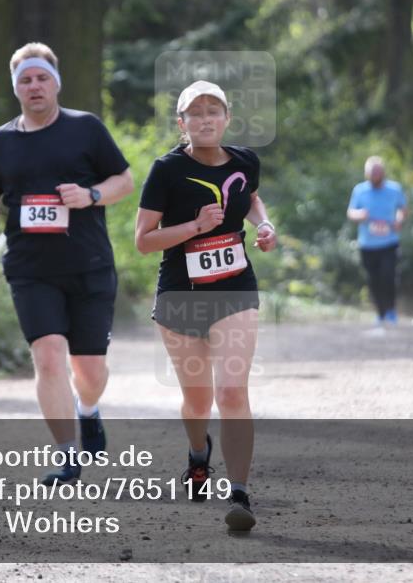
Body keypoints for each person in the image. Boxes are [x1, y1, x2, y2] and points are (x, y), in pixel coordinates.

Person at [0, 42, 134, 484]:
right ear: (16, 88)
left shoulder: (86, 129)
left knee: (90, 370)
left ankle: (89, 409)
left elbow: (125, 179)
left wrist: (92, 195)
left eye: (41, 77)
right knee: (47, 357)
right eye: (25, 80)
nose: (34, 86)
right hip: (30, 267)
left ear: (55, 82)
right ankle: (66, 455)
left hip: (89, 264)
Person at [135, 80, 277, 532]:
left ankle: (239, 494)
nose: (204, 119)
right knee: (196, 402)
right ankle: (199, 454)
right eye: (194, 113)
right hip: (181, 292)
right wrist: (194, 226)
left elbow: (249, 196)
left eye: (212, 110)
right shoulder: (166, 170)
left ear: (227, 117)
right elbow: (143, 241)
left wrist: (265, 224)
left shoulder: (244, 160)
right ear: (182, 124)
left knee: (231, 391)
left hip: (235, 286)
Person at [346, 156, 407, 325]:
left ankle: (391, 309)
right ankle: (380, 313)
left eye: (378, 173)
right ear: (367, 174)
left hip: (389, 242)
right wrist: (360, 215)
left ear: (383, 173)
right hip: (367, 244)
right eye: (372, 174)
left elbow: (402, 209)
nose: (375, 176)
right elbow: (351, 212)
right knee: (373, 280)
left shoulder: (395, 189)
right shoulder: (359, 190)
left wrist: (399, 220)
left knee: (388, 276)